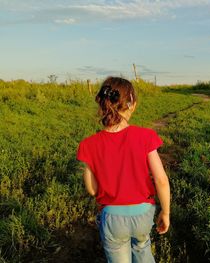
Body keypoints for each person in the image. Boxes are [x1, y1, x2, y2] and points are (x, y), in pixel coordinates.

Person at [76, 77, 171, 263]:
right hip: (143, 215)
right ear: (132, 104)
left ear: (103, 104)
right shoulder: (146, 136)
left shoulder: (88, 145)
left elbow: (93, 190)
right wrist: (165, 212)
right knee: (142, 248)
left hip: (112, 218)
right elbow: (161, 180)